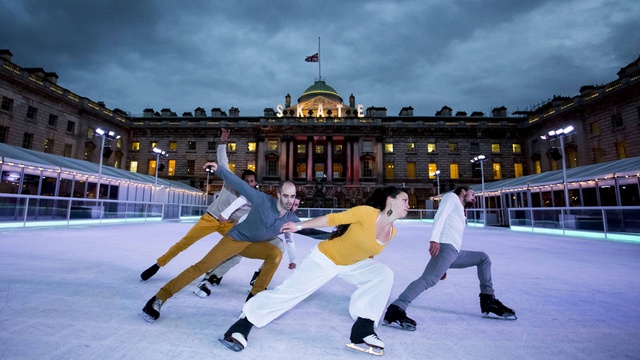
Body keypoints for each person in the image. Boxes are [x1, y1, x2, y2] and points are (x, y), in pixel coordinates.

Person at [220, 186, 409, 355]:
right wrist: (299, 225)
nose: (408, 204)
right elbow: (333, 219)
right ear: (390, 201)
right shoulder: (368, 213)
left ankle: (364, 328)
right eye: (405, 200)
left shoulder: (392, 231)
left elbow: (368, 253)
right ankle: (242, 324)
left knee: (382, 274)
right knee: (290, 293)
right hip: (325, 259)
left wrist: (364, 272)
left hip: (351, 263)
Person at [140, 161, 300, 322]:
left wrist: (326, 231)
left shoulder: (291, 217)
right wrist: (219, 170)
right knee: (202, 267)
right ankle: (158, 298)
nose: (289, 200)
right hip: (235, 239)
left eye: (292, 196)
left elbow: (309, 229)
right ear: (279, 194)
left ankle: (252, 301)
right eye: (286, 196)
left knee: (275, 253)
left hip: (252, 245)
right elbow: (239, 184)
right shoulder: (262, 200)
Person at [383, 186, 516, 332]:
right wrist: (434, 240)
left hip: (453, 253)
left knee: (483, 258)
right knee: (429, 279)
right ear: (463, 191)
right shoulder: (451, 198)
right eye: (473, 194)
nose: (474, 197)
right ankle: (397, 307)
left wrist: (444, 264)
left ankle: (488, 299)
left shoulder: (460, 208)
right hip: (446, 247)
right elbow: (440, 216)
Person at [139, 128, 253, 281]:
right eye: (247, 182)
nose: (250, 185)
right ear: (241, 181)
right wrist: (223, 143)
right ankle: (158, 264)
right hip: (210, 219)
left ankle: (214, 274)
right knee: (185, 243)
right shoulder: (231, 181)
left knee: (237, 248)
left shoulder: (253, 200)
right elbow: (223, 161)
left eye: (252, 182)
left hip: (228, 225)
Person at [193, 197, 301, 297]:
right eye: (291, 203)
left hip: (262, 237)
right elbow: (246, 216)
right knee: (235, 255)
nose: (293, 207)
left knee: (280, 245)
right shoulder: (271, 208)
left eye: (296, 205)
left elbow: (289, 239)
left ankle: (259, 279)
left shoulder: (288, 219)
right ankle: (211, 278)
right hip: (245, 232)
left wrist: (292, 260)